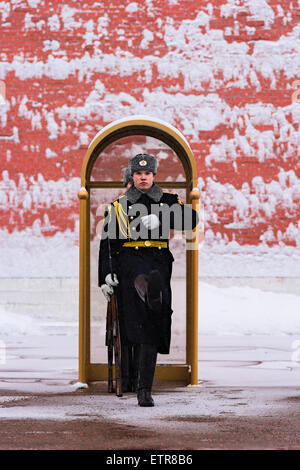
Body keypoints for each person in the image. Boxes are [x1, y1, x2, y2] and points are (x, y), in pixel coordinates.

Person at [98, 153, 198, 407]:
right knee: (133, 323)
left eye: (148, 173)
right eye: (139, 173)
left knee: (152, 322)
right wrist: (106, 274)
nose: (143, 177)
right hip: (129, 265)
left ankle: (145, 388)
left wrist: (163, 217)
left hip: (156, 265)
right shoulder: (119, 205)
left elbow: (193, 220)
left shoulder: (166, 201)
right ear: (132, 176)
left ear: (154, 175)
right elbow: (107, 244)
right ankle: (132, 380)